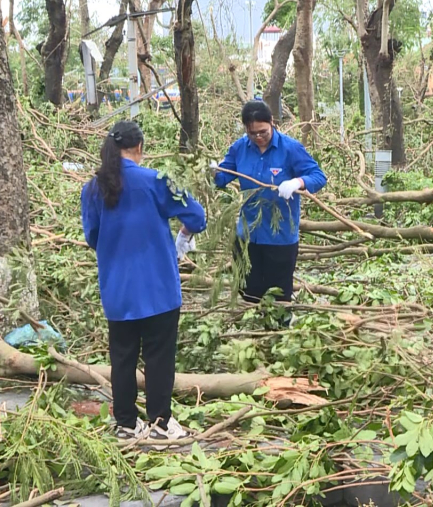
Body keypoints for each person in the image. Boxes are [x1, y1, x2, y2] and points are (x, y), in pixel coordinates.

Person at [81, 120, 207, 442]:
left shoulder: (92, 188)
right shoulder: (157, 181)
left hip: (118, 290)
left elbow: (93, 237)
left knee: (122, 357)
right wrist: (182, 236)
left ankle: (125, 423)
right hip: (158, 287)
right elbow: (197, 217)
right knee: (159, 357)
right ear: (139, 148)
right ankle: (161, 423)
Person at [211, 101, 327, 308]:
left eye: (263, 131)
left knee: (279, 298)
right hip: (247, 236)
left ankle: (277, 333)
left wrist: (298, 182)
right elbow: (223, 178)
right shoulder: (240, 148)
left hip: (280, 237)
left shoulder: (290, 148)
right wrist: (212, 171)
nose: (258, 137)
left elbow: (318, 176)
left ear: (272, 123)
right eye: (252, 132)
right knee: (249, 295)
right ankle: (253, 335)